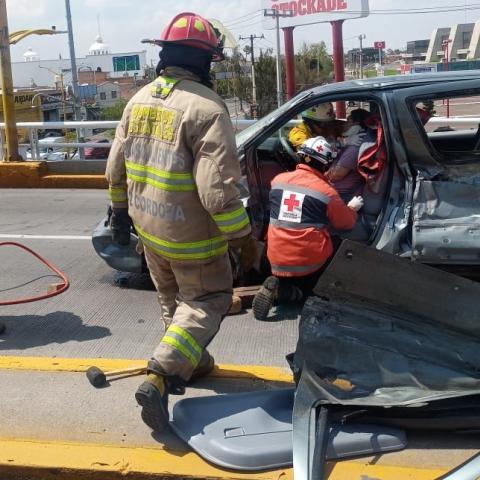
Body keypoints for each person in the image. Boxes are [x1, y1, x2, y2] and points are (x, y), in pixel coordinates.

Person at [105, 12, 255, 432]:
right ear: (205, 61)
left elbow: (114, 170)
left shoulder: (138, 100)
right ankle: (161, 373)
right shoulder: (207, 108)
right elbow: (218, 192)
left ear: (165, 55)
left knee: (174, 304)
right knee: (208, 300)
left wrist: (120, 215)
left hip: (149, 231)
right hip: (194, 238)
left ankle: (194, 361)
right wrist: (242, 238)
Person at [252, 136, 364, 321]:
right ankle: (293, 294)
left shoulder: (278, 181)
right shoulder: (326, 192)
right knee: (338, 244)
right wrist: (352, 208)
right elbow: (346, 224)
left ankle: (281, 288)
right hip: (309, 265)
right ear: (326, 164)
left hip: (274, 258)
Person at [326, 108, 375, 203]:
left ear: (355, 125)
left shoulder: (354, 147)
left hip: (341, 195)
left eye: (348, 121)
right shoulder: (354, 141)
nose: (344, 124)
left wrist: (317, 174)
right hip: (339, 191)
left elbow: (334, 176)